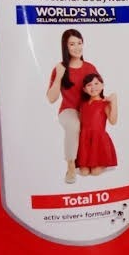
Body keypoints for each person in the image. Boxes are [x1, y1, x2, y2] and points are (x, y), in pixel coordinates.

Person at [47, 29, 98, 184]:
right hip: (68, 110)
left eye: (79, 43)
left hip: (86, 109)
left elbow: (97, 92)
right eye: (72, 44)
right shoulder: (60, 68)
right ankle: (70, 166)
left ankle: (91, 158)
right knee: (74, 125)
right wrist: (59, 76)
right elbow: (51, 98)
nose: (77, 47)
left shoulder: (90, 68)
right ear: (65, 46)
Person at [76, 73, 118, 176]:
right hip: (85, 140)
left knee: (95, 172)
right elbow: (81, 122)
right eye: (89, 85)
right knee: (84, 172)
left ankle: (103, 161)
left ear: (102, 85)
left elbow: (113, 121)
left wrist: (114, 101)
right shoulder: (83, 104)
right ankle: (89, 161)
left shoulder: (104, 103)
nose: (93, 87)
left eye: (96, 83)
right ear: (84, 89)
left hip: (99, 140)